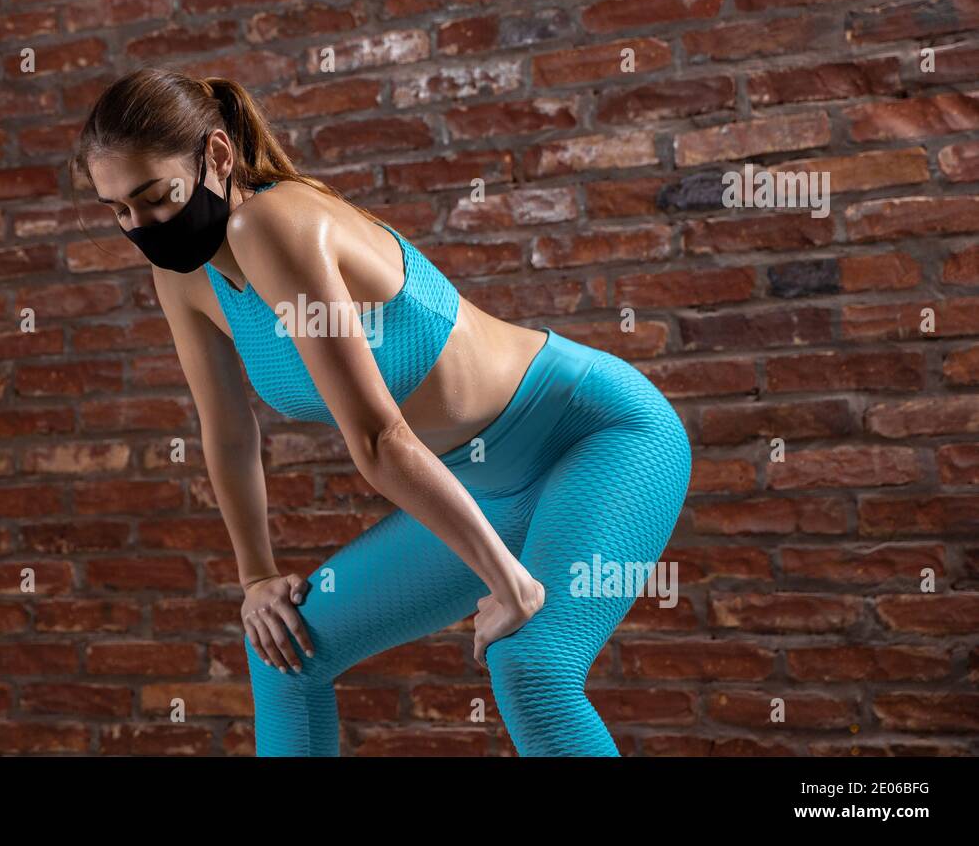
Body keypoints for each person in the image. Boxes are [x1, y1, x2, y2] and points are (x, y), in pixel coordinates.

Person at [69, 66, 693, 756]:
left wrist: (507, 582)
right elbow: (227, 430)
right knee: (285, 650)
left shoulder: (271, 223)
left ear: (216, 156)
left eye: (156, 196)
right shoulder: (181, 278)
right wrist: (257, 577)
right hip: (484, 484)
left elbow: (376, 435)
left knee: (532, 663)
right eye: (118, 210)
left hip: (598, 436)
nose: (142, 225)